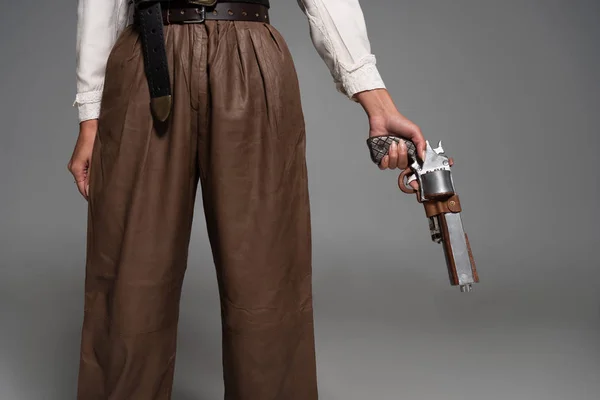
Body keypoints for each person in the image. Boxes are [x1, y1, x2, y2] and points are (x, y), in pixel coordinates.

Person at [67, 0, 426, 398]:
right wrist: (90, 115)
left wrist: (377, 101)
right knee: (129, 280)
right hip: (146, 59)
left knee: (267, 282)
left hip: (250, 56)